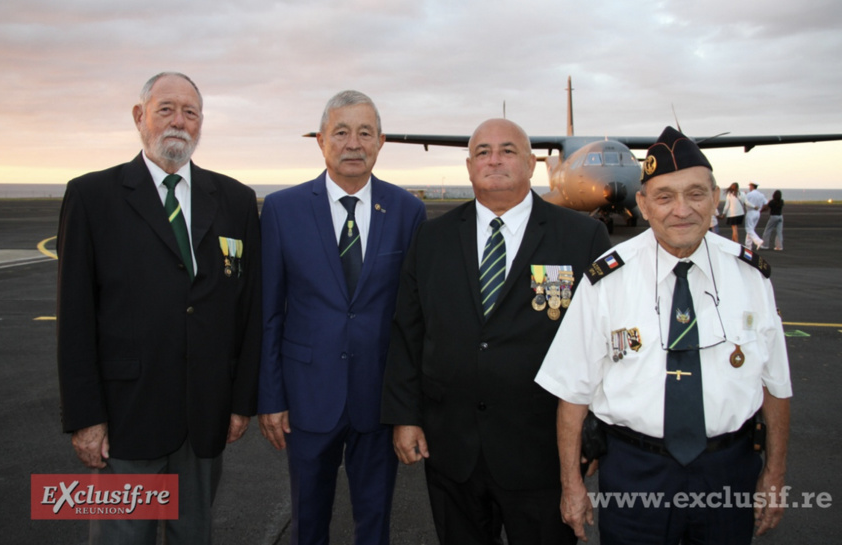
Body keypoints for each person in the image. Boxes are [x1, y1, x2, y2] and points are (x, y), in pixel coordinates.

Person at [535, 126, 792, 544]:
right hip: (636, 473)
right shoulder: (607, 280)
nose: (681, 210)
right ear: (643, 203)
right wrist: (572, 485)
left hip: (729, 471)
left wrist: (775, 475)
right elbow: (572, 393)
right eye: (664, 196)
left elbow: (776, 386)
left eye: (695, 194)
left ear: (714, 199)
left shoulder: (752, 278)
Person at [382, 118, 611, 545]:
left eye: (508, 150)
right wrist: (404, 417)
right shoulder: (431, 239)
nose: (494, 160)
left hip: (542, 453)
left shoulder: (582, 237)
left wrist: (594, 433)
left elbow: (604, 344)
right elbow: (408, 332)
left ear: (530, 164)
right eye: (483, 152)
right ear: (470, 167)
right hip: (452, 450)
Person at [56, 72, 262, 544]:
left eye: (190, 112)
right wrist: (85, 416)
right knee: (121, 537)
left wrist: (240, 401)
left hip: (204, 414)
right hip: (126, 416)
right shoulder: (92, 197)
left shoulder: (234, 199)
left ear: (201, 123)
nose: (179, 121)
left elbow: (248, 309)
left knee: (194, 534)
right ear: (139, 116)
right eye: (166, 108)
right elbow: (75, 318)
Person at [258, 90, 426, 545]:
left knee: (375, 522)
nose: (353, 143)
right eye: (341, 132)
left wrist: (409, 404)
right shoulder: (281, 210)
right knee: (307, 521)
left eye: (365, 133)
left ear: (381, 142)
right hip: (307, 396)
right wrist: (271, 397)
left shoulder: (408, 211)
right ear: (321, 140)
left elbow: (414, 319)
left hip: (379, 398)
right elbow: (269, 312)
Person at [744, 182, 768, 250]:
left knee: (749, 229)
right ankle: (748, 246)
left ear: (752, 186)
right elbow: (766, 203)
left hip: (751, 212)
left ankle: (758, 241)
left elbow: (746, 202)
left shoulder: (749, 194)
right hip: (758, 213)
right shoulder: (761, 195)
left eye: (750, 186)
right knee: (751, 229)